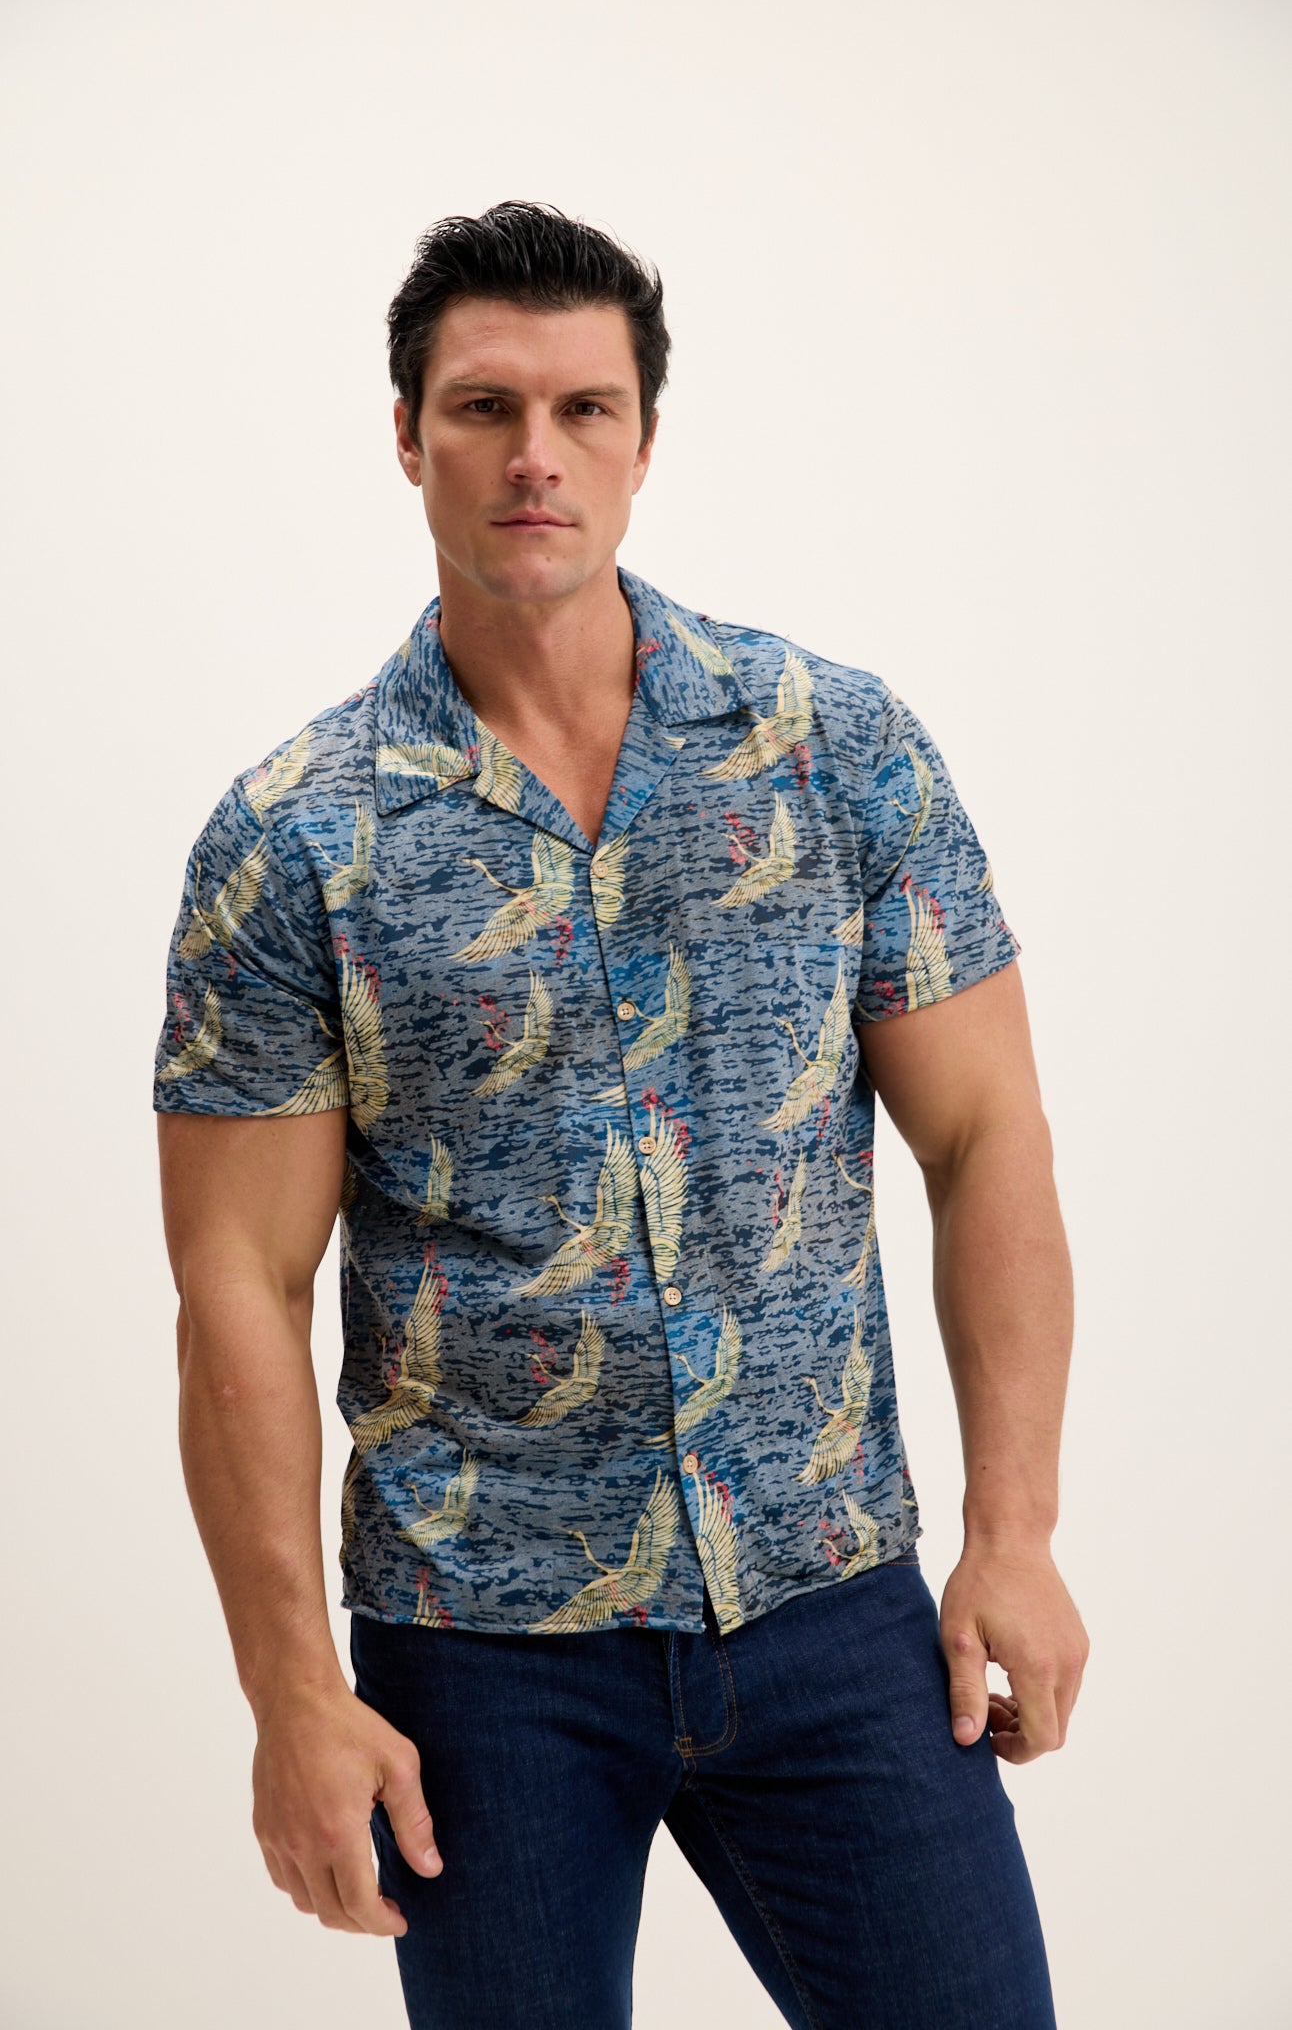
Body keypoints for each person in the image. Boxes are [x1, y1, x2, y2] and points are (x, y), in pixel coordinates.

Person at [154, 199, 1087, 2030]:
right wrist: (291, 1692)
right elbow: (237, 1287)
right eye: (484, 407)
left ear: (644, 441)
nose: (537, 455)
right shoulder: (293, 841)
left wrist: (1018, 1532)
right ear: (407, 436)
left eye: (584, 409)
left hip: (831, 1604)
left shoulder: (833, 749)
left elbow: (987, 1141)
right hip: (482, 1662)